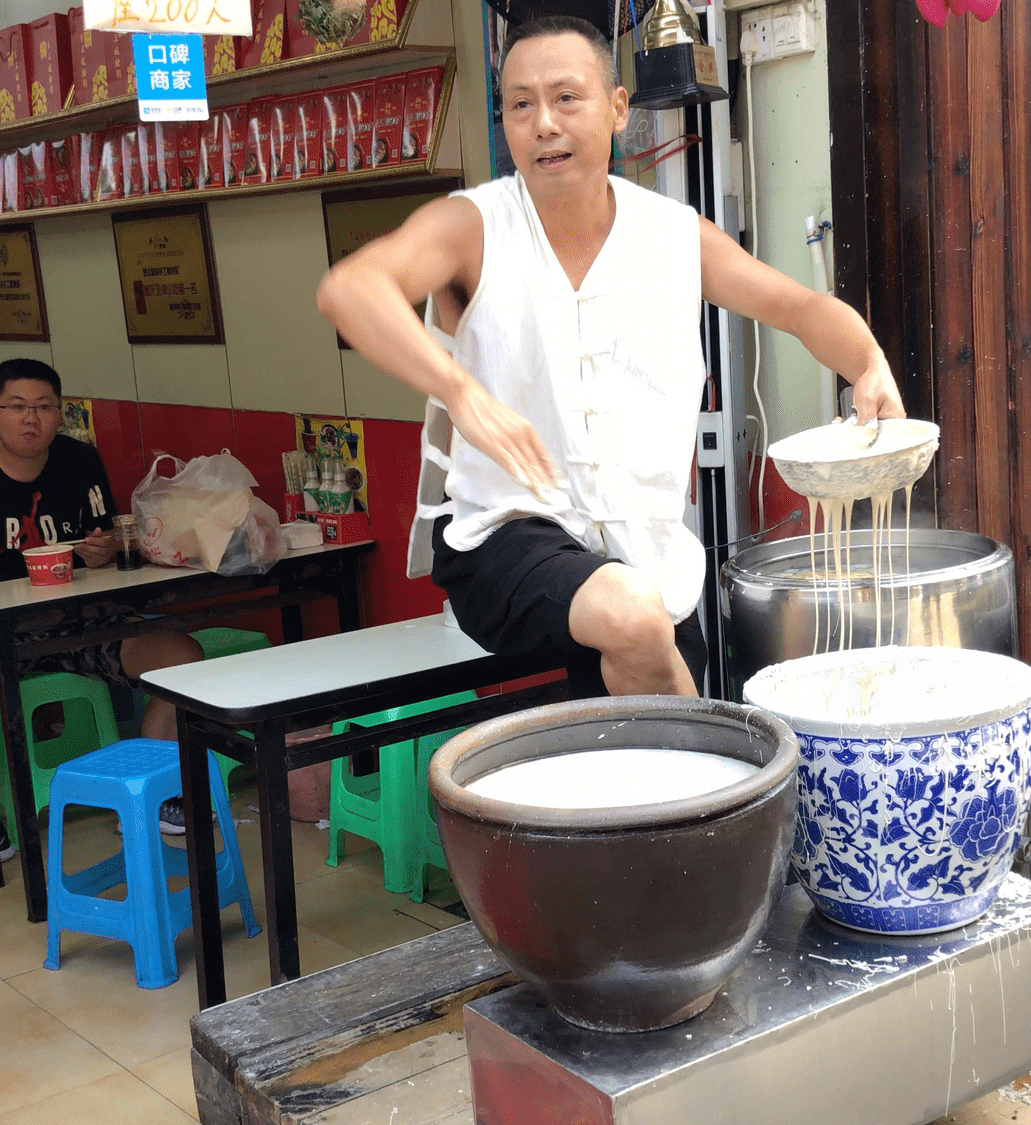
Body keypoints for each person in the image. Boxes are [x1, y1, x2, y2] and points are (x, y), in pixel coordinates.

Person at [315, 16, 904, 698]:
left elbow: (800, 309)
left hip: (646, 555)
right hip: (504, 538)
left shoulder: (673, 235)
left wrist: (868, 361)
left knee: (641, 649)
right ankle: (728, 794)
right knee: (630, 620)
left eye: (567, 97)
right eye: (520, 104)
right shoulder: (473, 227)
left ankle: (704, 789)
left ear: (619, 108)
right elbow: (350, 289)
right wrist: (461, 391)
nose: (543, 124)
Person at [0, 359, 203, 886]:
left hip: (80, 620)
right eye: (16, 407)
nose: (30, 419)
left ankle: (144, 794)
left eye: (43, 407)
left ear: (60, 414)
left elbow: (102, 545)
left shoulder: (80, 462)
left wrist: (101, 551)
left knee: (183, 659)